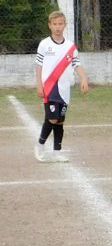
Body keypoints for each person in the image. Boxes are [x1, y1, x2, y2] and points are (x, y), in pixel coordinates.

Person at [33, 10, 89, 163]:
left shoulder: (70, 47)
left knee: (60, 121)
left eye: (60, 24)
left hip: (65, 89)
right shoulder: (44, 44)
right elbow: (38, 66)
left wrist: (83, 78)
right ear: (50, 25)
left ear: (65, 25)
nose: (58, 27)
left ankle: (57, 152)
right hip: (50, 88)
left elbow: (76, 64)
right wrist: (39, 85)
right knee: (51, 119)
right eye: (54, 24)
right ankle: (40, 145)